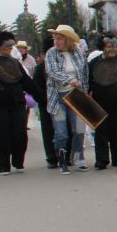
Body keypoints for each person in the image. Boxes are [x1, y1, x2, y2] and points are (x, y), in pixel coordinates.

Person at [0, 31, 44, 174]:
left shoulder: (15, 62)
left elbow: (27, 82)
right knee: (0, 135)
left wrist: (41, 96)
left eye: (11, 46)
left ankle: (18, 161)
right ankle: (3, 164)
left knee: (19, 134)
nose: (9, 48)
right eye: (6, 45)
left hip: (16, 103)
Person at [45, 25, 90, 174]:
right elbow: (52, 71)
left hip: (76, 96)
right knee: (61, 132)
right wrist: (69, 79)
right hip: (58, 98)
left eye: (59, 39)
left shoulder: (78, 52)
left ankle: (79, 158)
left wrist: (85, 90)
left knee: (79, 129)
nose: (56, 42)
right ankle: (62, 161)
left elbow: (85, 73)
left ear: (68, 40)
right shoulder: (51, 53)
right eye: (55, 39)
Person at [89, 33, 117, 170]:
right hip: (99, 101)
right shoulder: (94, 63)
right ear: (103, 47)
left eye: (114, 46)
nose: (111, 49)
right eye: (108, 46)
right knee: (100, 131)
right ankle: (101, 160)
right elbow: (88, 81)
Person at [33, 36, 71, 169]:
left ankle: (66, 156)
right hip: (47, 105)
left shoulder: (67, 64)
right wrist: (46, 100)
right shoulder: (40, 68)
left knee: (66, 130)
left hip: (65, 102)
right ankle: (52, 157)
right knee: (49, 131)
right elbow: (36, 88)